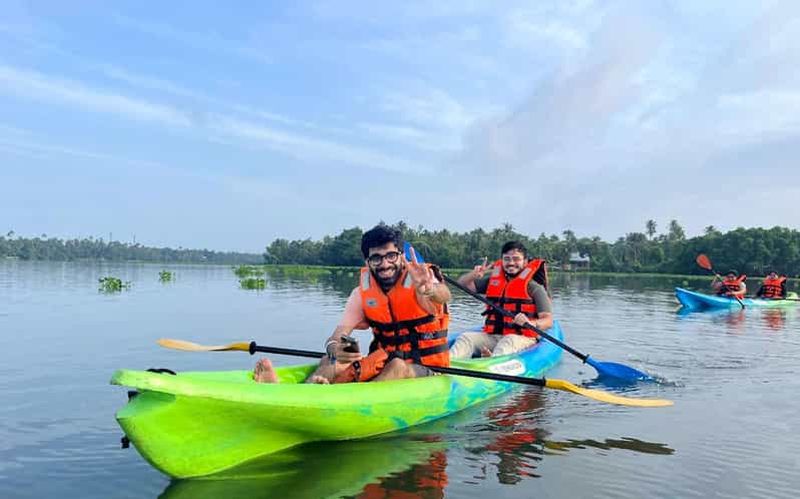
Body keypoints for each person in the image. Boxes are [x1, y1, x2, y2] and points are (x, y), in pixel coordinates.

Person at [254, 224, 451, 384]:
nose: (384, 264)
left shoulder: (421, 280)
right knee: (333, 359)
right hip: (383, 362)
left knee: (397, 366)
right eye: (376, 258)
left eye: (390, 256)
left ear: (400, 256)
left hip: (430, 369)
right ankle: (304, 392)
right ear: (367, 261)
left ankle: (355, 403)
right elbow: (338, 336)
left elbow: (444, 295)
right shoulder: (360, 293)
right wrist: (335, 349)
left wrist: (429, 289)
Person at [449, 241, 553, 359]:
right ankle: (444, 369)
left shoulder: (534, 287)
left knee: (508, 341)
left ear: (525, 262)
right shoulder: (493, 282)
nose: (511, 263)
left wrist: (531, 323)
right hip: (494, 336)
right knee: (466, 338)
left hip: (522, 338)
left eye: (516, 259)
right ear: (502, 260)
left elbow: (548, 321)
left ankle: (490, 364)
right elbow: (462, 285)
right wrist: (473, 275)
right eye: (507, 259)